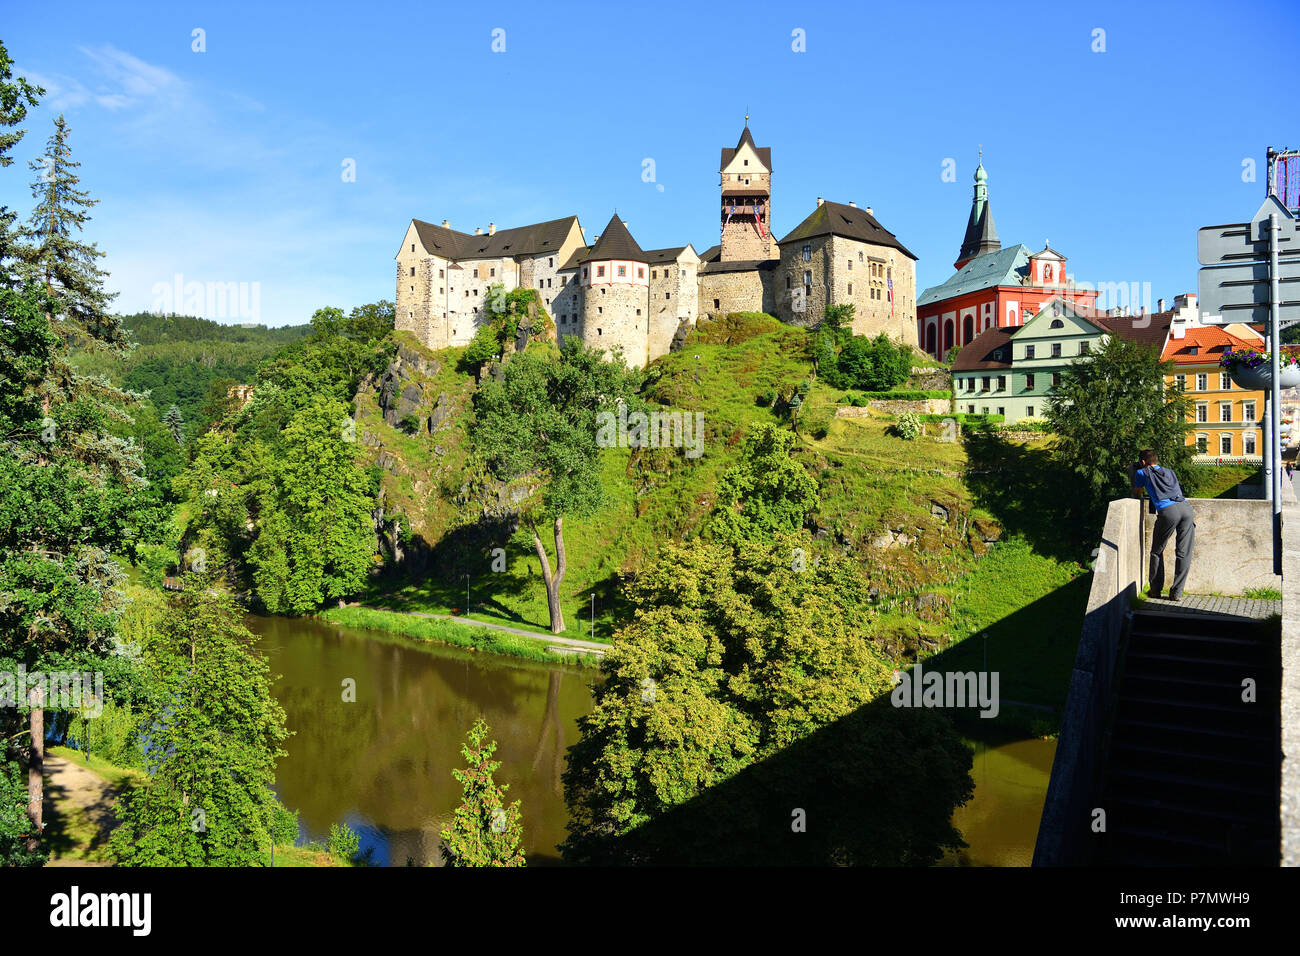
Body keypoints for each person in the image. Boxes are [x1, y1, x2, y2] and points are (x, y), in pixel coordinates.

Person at [1130, 449, 1195, 601]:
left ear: (1143, 462)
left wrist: (1134, 472)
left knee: (1157, 551)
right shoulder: (1170, 471)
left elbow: (1137, 493)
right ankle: (1177, 593)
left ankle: (1155, 590)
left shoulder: (1142, 473)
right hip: (1186, 508)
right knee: (1184, 552)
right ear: (1156, 460)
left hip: (1168, 512)